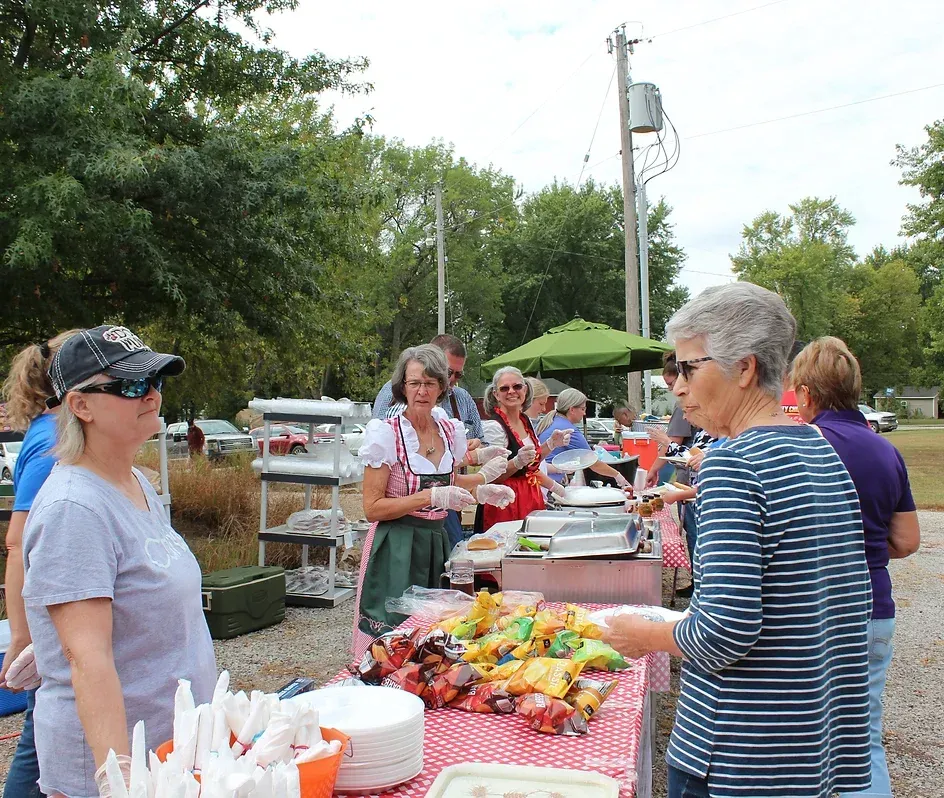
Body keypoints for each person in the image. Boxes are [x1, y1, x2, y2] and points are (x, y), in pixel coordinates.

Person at [601, 283, 872, 798]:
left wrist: (645, 634)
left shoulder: (732, 463)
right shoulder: (820, 448)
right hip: (807, 744)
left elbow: (724, 633)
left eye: (688, 368)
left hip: (738, 751)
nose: (676, 388)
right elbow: (833, 604)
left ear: (744, 369)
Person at [21, 325, 217, 798]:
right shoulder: (75, 508)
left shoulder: (132, 482)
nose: (150, 394)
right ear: (81, 406)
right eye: (130, 386)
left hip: (169, 757)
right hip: (120, 772)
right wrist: (120, 782)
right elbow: (88, 662)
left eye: (155, 382)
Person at [791, 336, 920, 798]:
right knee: (864, 736)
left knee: (802, 737)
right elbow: (906, 541)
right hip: (874, 606)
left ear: (806, 393)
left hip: (818, 610)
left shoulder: (804, 444)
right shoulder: (885, 449)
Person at [354, 345, 513, 657]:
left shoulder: (446, 428)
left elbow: (447, 482)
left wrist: (481, 489)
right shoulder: (387, 434)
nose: (421, 391)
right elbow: (372, 507)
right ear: (402, 387)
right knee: (397, 641)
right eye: (414, 383)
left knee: (437, 638)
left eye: (429, 383)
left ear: (442, 386)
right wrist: (430, 497)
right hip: (396, 547)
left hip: (437, 542)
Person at [0, 330, 80, 798]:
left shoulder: (57, 429)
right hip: (51, 629)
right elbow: (18, 540)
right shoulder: (54, 436)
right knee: (38, 745)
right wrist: (22, 638)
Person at [372, 334, 484, 547]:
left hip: (446, 512)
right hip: (402, 530)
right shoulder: (391, 422)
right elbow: (375, 503)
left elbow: (477, 440)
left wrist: (481, 479)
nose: (453, 379)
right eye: (415, 383)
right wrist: (432, 496)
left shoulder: (456, 407)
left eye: (458, 374)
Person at [475, 368, 568, 531]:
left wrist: (551, 444)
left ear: (525, 389)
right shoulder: (494, 427)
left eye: (517, 386)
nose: (511, 392)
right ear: (496, 394)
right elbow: (491, 477)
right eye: (504, 388)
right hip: (504, 501)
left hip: (529, 495)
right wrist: (516, 462)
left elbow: (531, 462)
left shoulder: (525, 420)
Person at [537, 389, 630, 488]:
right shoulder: (570, 430)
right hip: (549, 485)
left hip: (541, 481)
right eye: (582, 409)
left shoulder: (552, 421)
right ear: (572, 409)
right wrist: (618, 476)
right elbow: (593, 463)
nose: (584, 413)